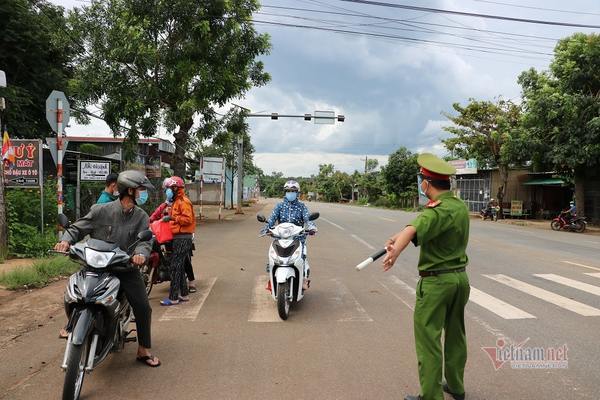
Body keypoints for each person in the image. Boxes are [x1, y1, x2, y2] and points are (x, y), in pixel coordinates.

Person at [382, 153, 470, 400]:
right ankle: (455, 386)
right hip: (460, 280)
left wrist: (395, 252)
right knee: (456, 334)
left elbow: (414, 228)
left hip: (436, 283)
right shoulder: (459, 206)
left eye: (422, 180)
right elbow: (415, 229)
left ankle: (431, 395)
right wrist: (398, 237)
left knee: (428, 340)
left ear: (426, 183)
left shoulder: (433, 210)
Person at [54, 170, 161, 367]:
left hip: (125, 268)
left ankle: (143, 349)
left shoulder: (141, 216)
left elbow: (144, 243)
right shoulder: (100, 210)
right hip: (96, 266)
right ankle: (73, 325)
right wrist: (66, 241)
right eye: (141, 189)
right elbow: (77, 228)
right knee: (74, 293)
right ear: (129, 190)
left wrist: (141, 255)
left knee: (143, 308)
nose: (143, 193)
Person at [262, 180, 317, 290]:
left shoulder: (302, 206)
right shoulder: (279, 206)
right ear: (284, 192)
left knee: (303, 257)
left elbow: (307, 219)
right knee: (273, 258)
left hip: (298, 239)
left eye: (293, 191)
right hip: (281, 238)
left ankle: (304, 278)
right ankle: (271, 280)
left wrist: (311, 227)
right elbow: (271, 219)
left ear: (298, 193)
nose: (290, 193)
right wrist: (266, 228)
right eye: (288, 191)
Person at [160, 176, 196, 306]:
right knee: (179, 267)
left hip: (183, 237)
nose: (167, 191)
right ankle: (184, 294)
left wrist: (172, 218)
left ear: (176, 188)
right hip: (178, 237)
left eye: (169, 188)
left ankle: (173, 297)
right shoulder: (176, 201)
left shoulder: (183, 201)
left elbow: (188, 219)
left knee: (175, 268)